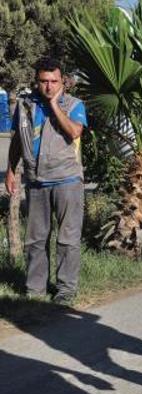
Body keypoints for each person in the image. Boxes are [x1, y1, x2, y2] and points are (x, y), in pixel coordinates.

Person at [5, 57, 87, 305]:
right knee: (36, 239)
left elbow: (74, 131)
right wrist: (11, 170)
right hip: (36, 181)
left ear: (63, 81)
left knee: (67, 239)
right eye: (44, 81)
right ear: (36, 81)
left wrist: (54, 105)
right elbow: (18, 140)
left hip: (67, 180)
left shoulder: (74, 104)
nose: (49, 86)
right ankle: (35, 290)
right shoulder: (25, 105)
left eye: (54, 81)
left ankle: (65, 290)